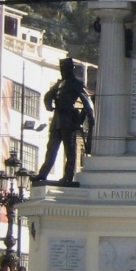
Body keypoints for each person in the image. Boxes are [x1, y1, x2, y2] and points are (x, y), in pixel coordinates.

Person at [35, 57, 95, 185]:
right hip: (57, 119)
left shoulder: (76, 83)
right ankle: (43, 173)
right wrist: (49, 105)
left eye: (65, 68)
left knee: (70, 149)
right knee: (51, 148)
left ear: (71, 69)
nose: (63, 71)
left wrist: (90, 116)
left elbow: (87, 100)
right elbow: (48, 96)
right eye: (62, 69)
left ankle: (68, 176)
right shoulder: (59, 84)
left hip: (69, 119)